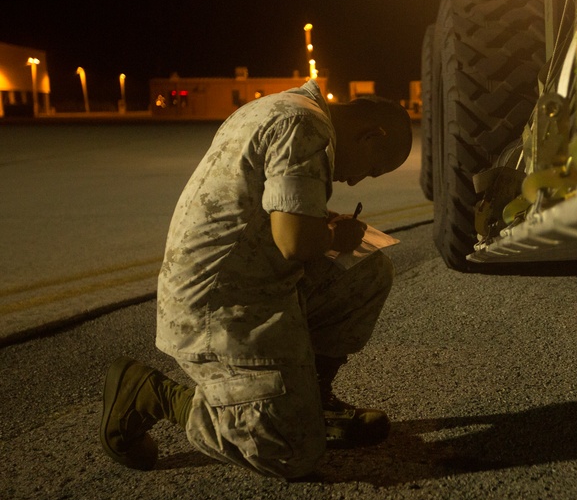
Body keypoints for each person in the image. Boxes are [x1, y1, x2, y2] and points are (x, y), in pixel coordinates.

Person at [100, 79, 412, 479]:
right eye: (372, 169)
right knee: (291, 451)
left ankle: (314, 399)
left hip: (247, 279)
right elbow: (296, 242)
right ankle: (153, 395)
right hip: (220, 307)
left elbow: (265, 211)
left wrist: (317, 220)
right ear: (371, 133)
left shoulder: (281, 106)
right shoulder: (306, 126)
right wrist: (337, 235)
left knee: (368, 273)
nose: (356, 181)